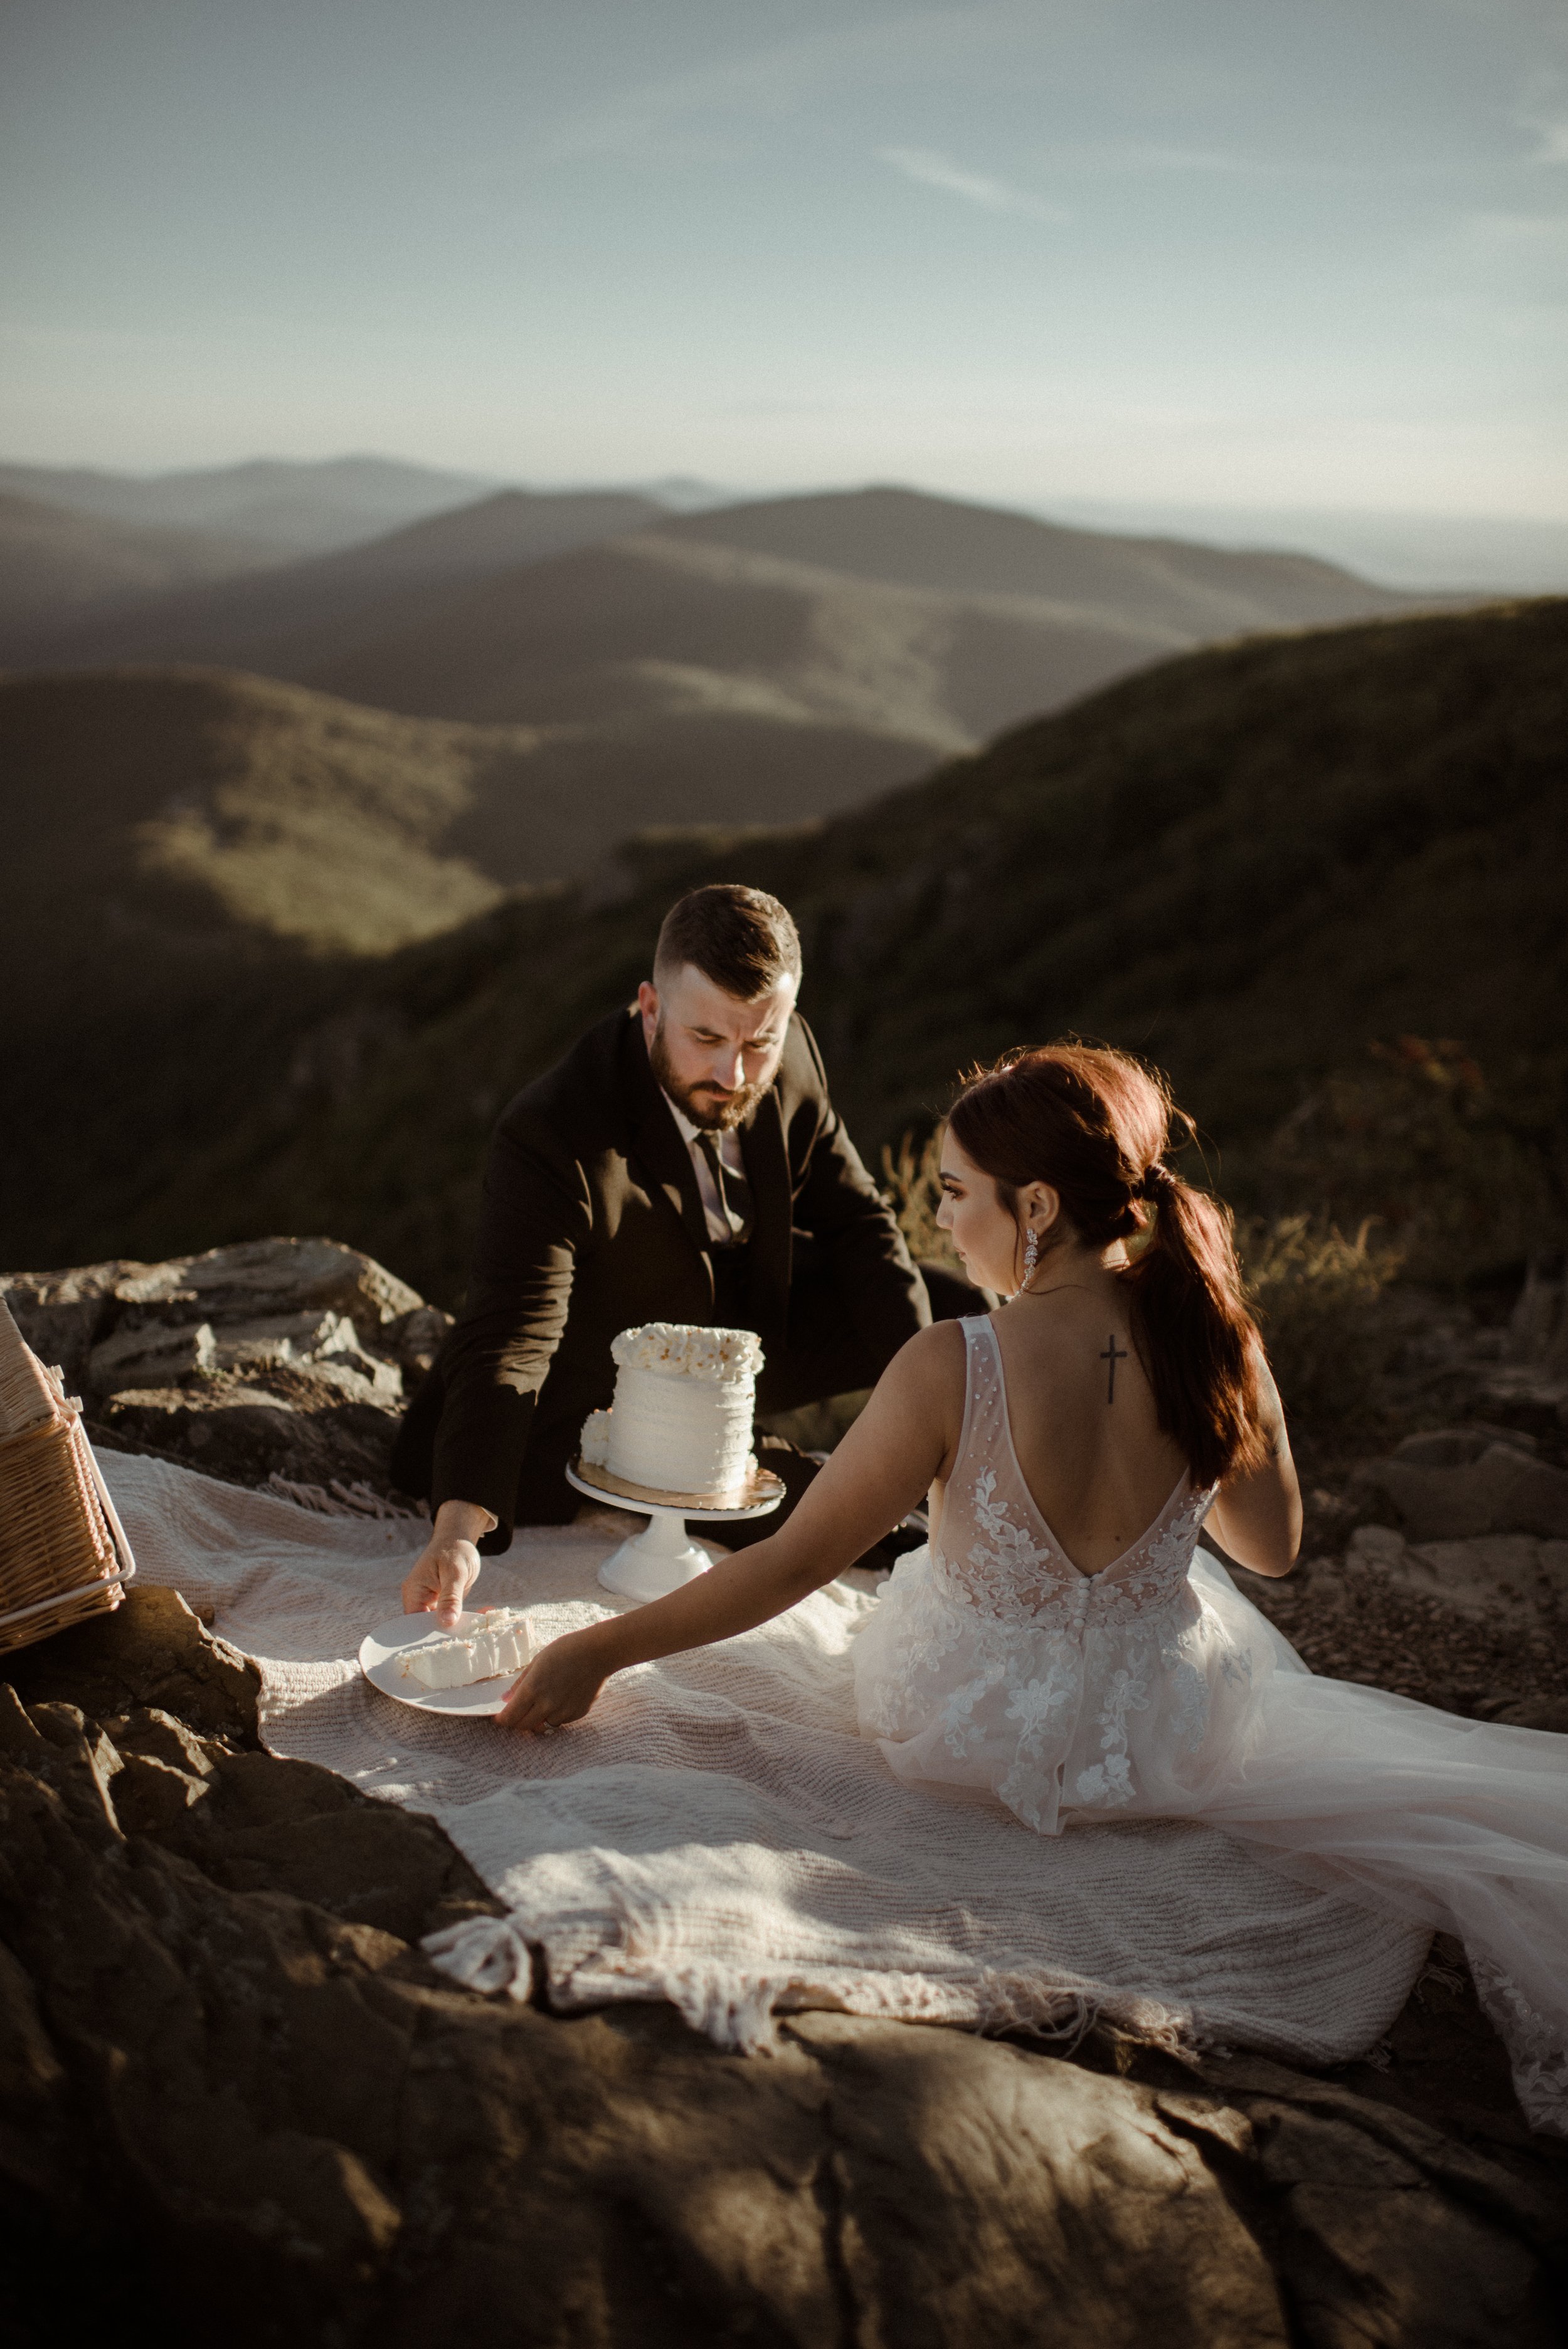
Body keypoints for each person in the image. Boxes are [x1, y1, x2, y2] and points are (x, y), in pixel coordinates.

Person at [491, 1041, 1568, 2133]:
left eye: (957, 1196)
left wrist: (601, 1650)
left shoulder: (953, 1364)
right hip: (1164, 1731)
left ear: (1038, 1204)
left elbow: (791, 1564)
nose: (943, 1224)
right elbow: (1273, 1547)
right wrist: (1232, 1397)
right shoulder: (1216, 1343)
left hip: (968, 1730)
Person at [394, 883, 985, 1616]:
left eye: (757, 1043)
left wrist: (922, 1411)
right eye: (705, 1040)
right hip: (604, 1387)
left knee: (962, 1322)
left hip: (743, 1329)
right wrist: (458, 1526)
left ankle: (969, 1472)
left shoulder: (789, 1054)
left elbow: (861, 1224)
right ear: (650, 1008)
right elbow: (512, 1335)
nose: (734, 1075)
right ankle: (799, 1485)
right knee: (838, 1521)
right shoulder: (552, 1133)